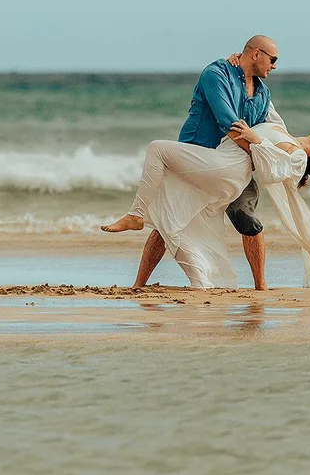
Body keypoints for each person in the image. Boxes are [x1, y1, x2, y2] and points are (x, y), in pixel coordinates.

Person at [108, 36, 282, 289]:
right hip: (196, 157)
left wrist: (285, 161)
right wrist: (262, 156)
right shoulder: (216, 74)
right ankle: (139, 284)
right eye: (272, 59)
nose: (275, 66)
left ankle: (261, 286)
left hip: (233, 166)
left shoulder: (263, 94)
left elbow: (270, 130)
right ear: (256, 54)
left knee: (249, 220)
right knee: (167, 222)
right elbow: (230, 124)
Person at [100, 117, 310, 288]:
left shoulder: (299, 155)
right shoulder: (281, 127)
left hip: (230, 171)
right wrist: (238, 64)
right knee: (172, 214)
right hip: (223, 164)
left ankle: (260, 286)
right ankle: (163, 281)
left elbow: (277, 169)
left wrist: (254, 138)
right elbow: (261, 92)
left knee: (247, 221)